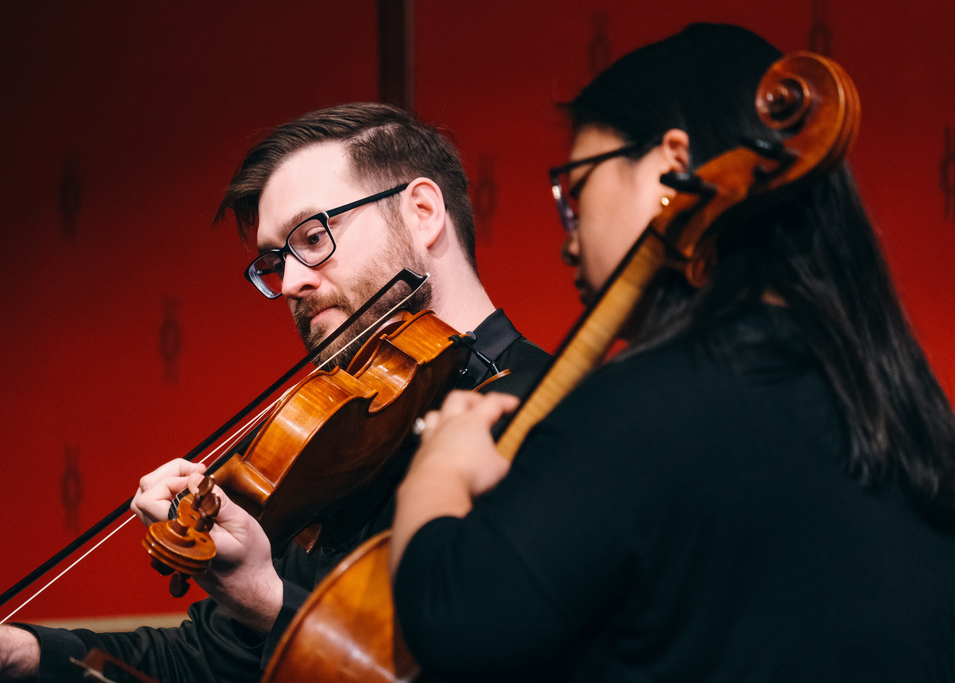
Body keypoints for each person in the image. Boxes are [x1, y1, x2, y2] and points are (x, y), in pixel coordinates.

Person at [389, 23, 955, 681]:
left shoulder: (648, 406)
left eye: (576, 192)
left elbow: (454, 618)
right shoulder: (903, 404)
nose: (568, 241)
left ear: (672, 166)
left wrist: (440, 465)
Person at [0, 103, 550, 682]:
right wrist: (15, 652)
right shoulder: (341, 437)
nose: (291, 284)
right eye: (277, 260)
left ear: (422, 211)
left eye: (312, 237)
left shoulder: (555, 418)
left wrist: (266, 597)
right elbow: (201, 661)